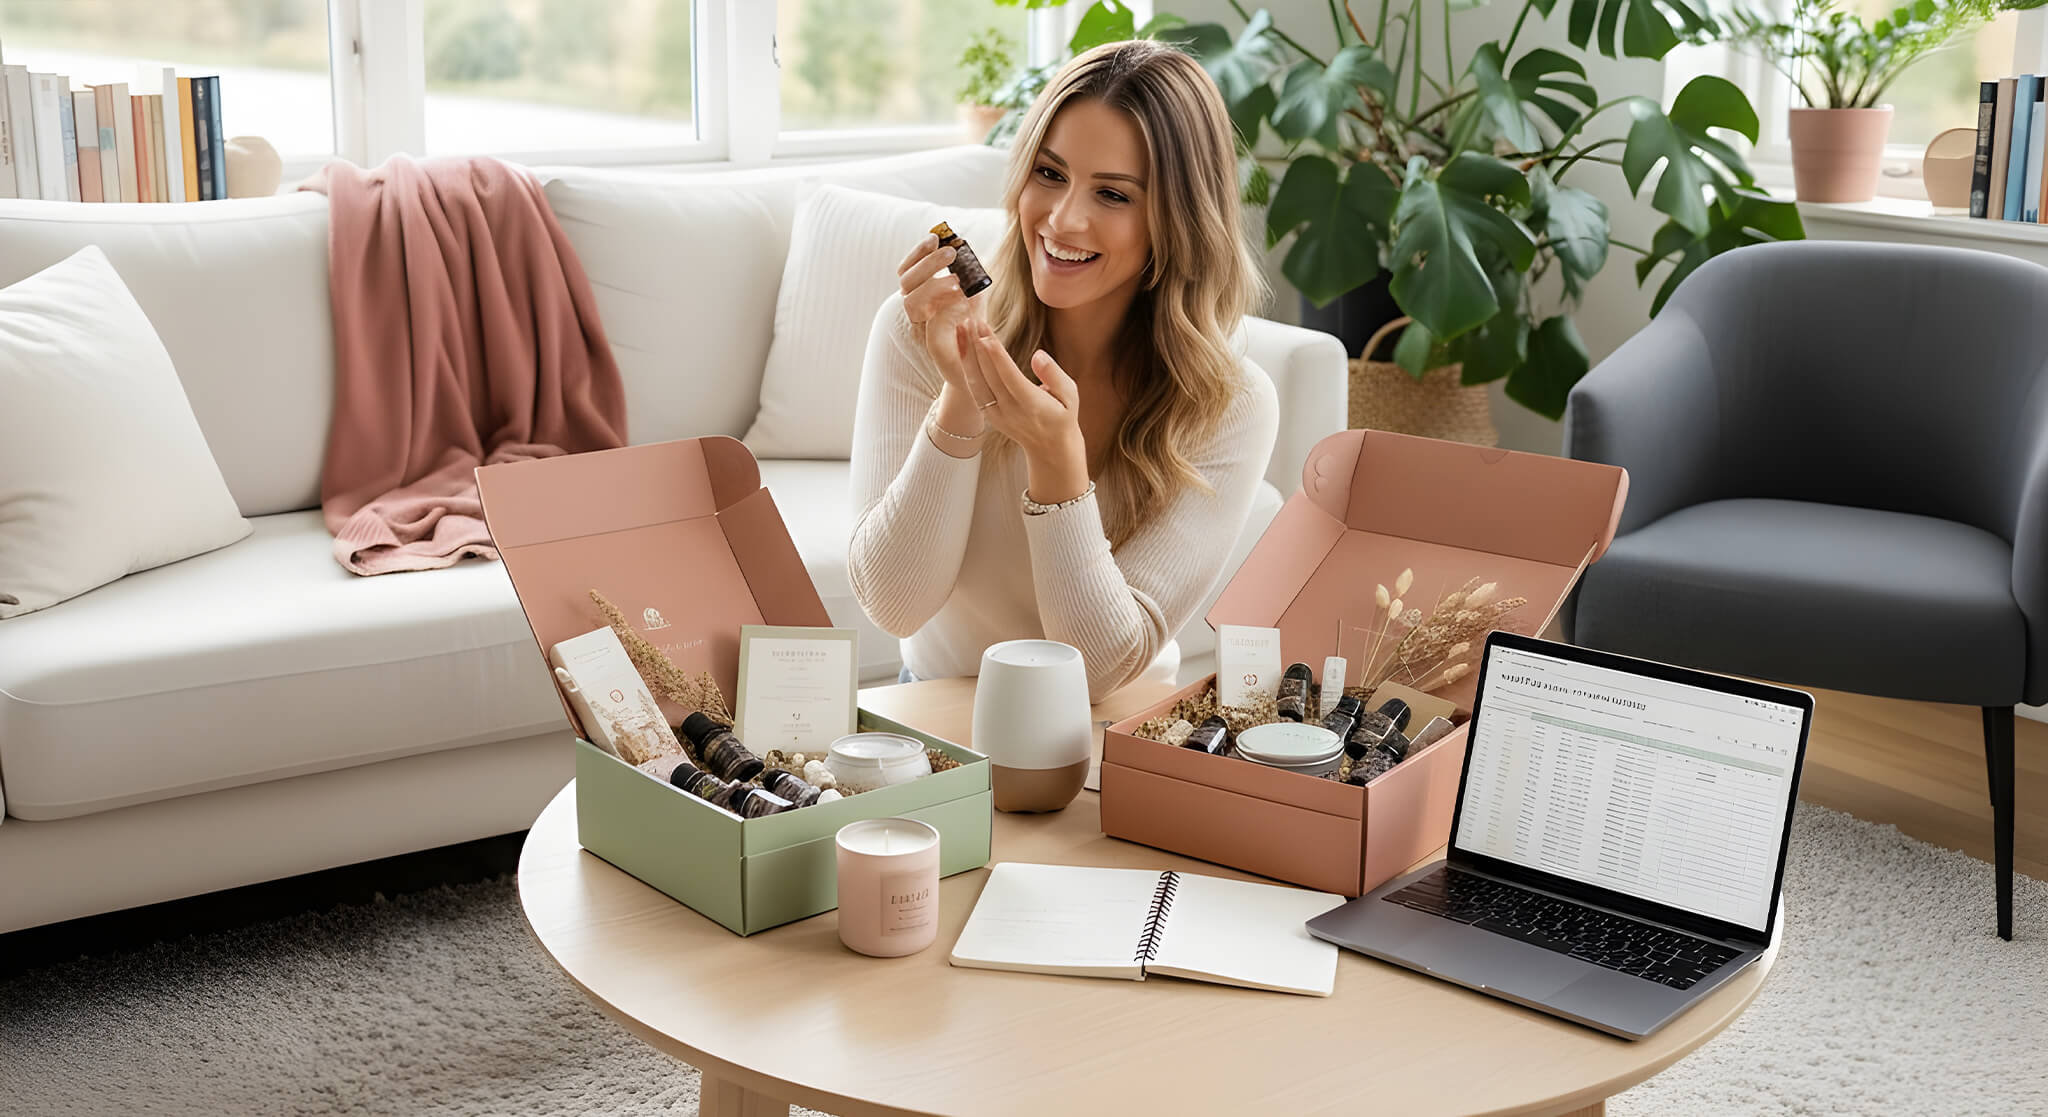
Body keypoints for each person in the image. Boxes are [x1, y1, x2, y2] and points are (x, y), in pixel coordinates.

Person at [848, 38, 1278, 701]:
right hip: (939, 709)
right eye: (1049, 174)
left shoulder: (1228, 401)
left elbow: (1102, 666)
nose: (1063, 218)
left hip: (1107, 728)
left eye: (1112, 194)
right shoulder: (918, 335)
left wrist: (1058, 467)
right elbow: (893, 604)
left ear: (1178, 220)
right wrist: (961, 395)